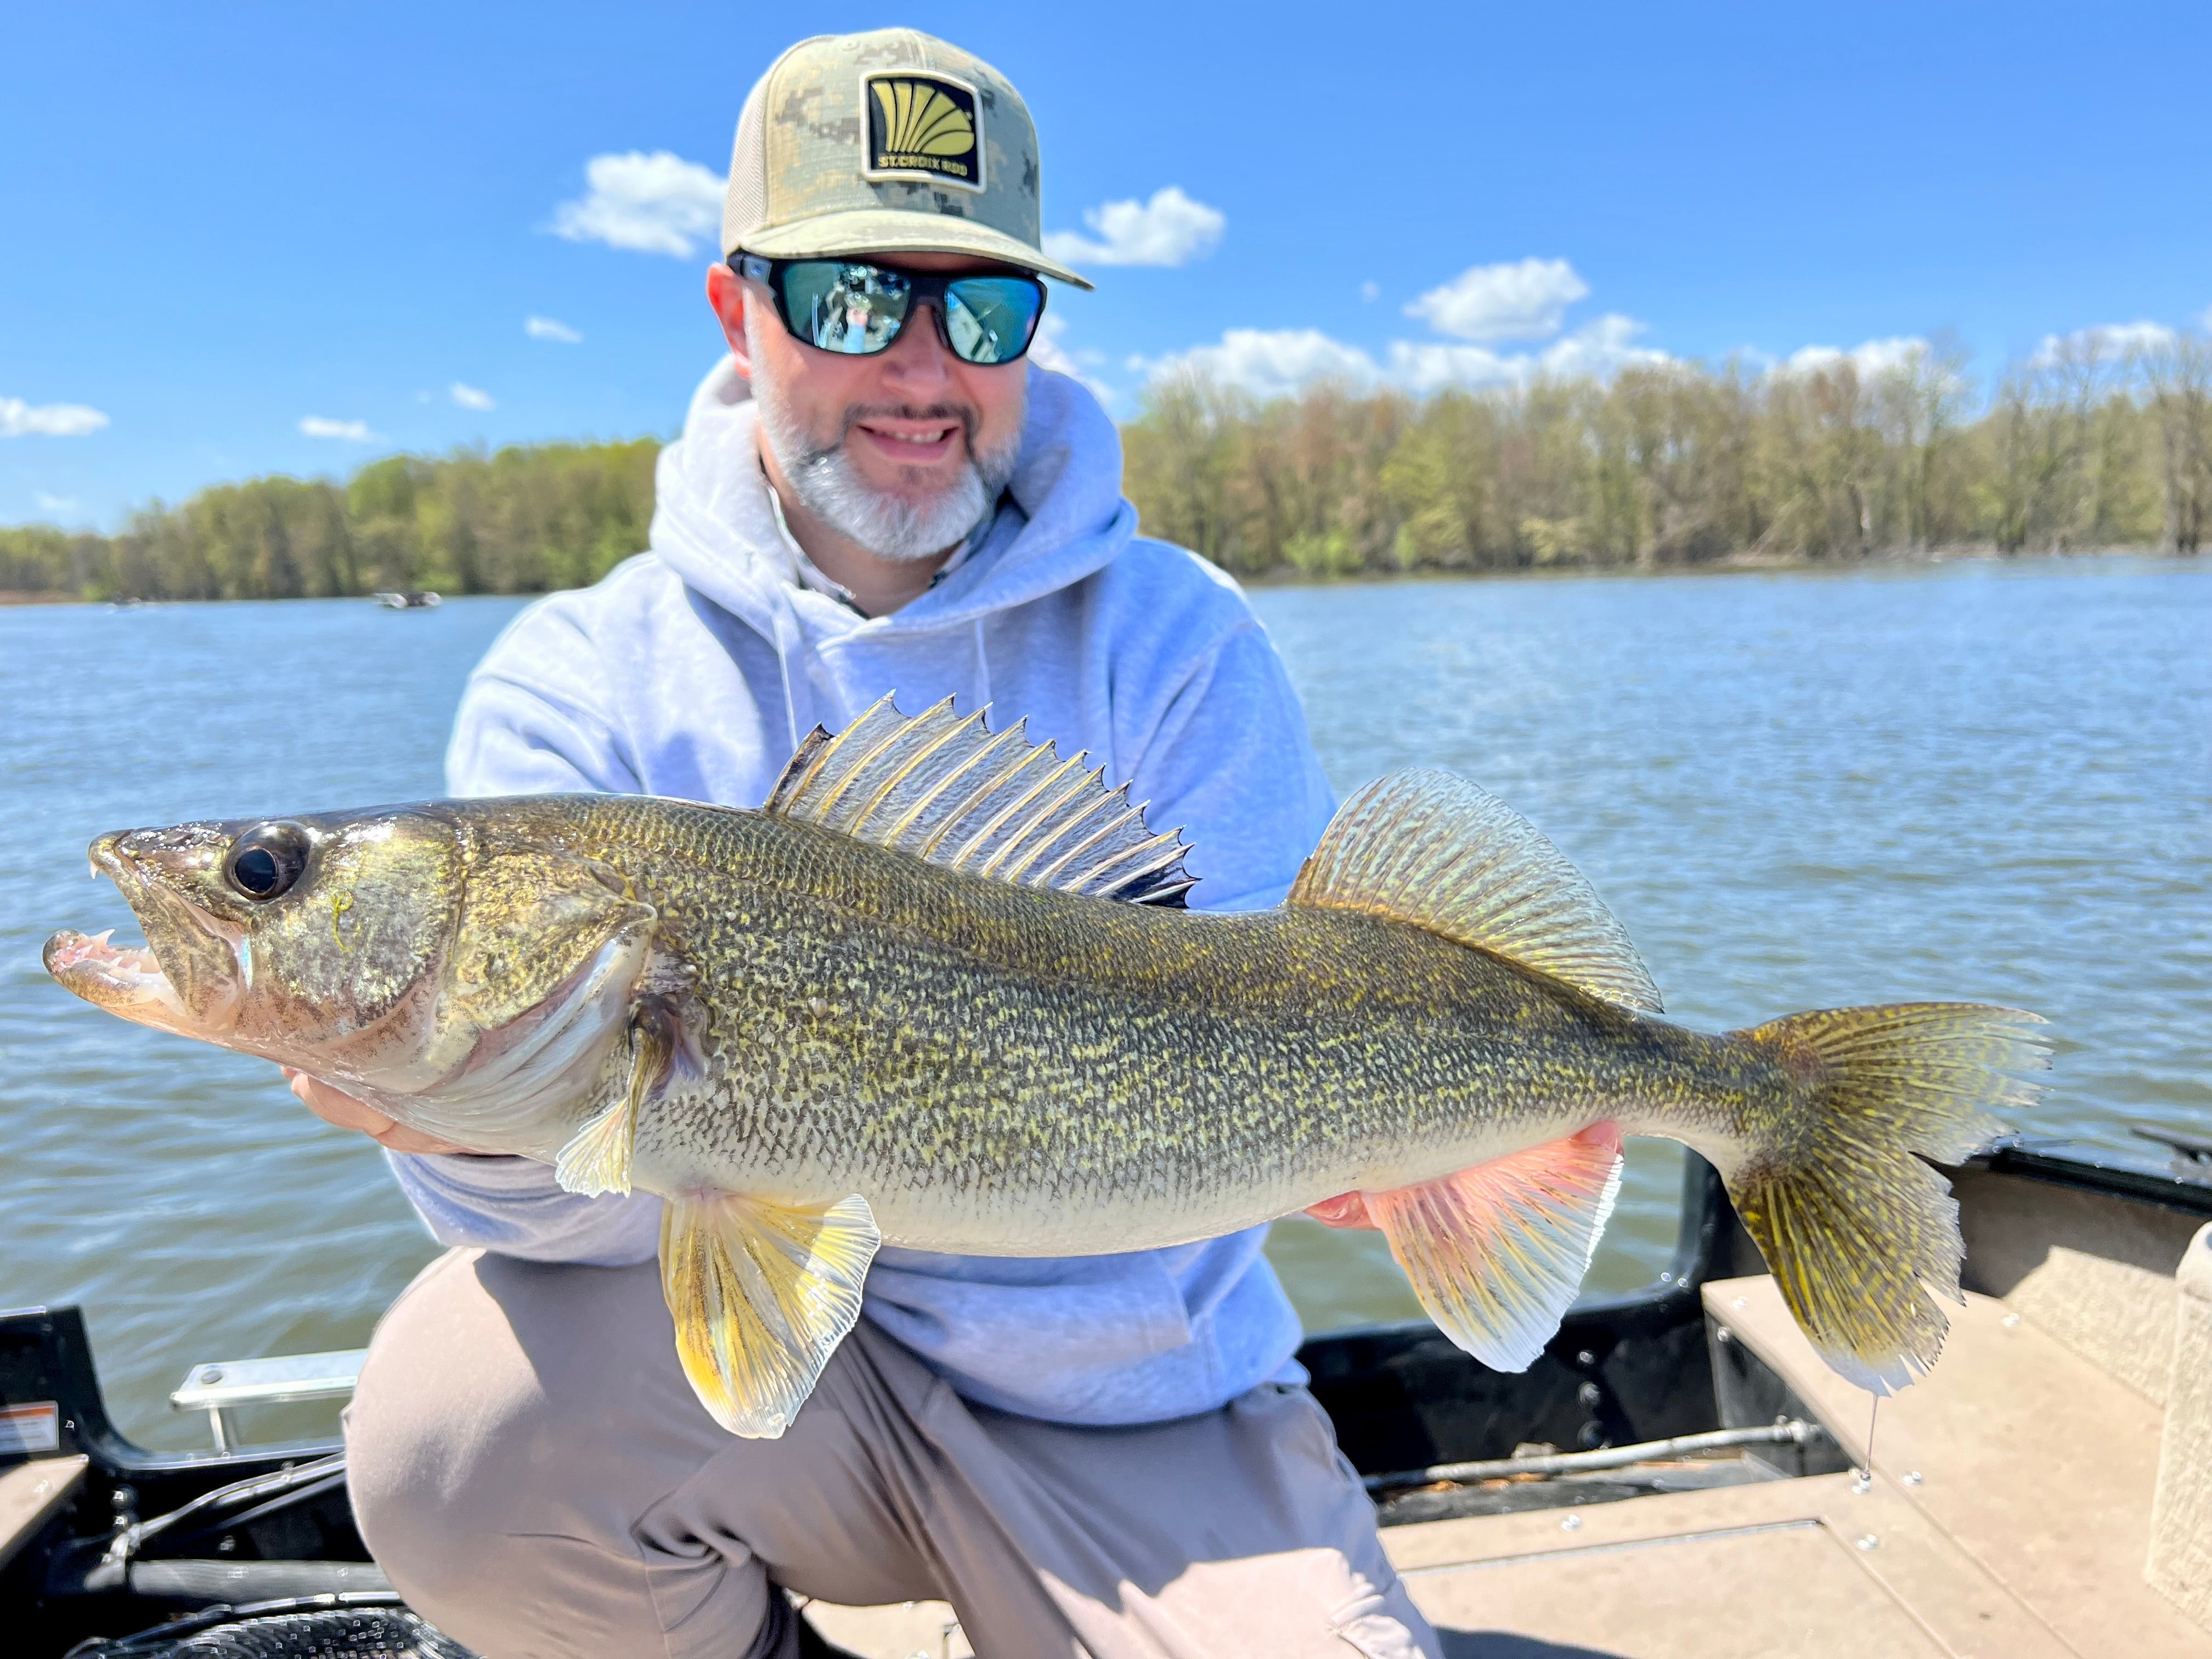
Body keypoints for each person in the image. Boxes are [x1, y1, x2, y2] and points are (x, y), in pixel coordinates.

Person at [298, 29, 1441, 1659]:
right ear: (736, 310)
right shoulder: (575, 684)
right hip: (771, 1402)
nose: (922, 368)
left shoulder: (1178, 634)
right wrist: (477, 1119)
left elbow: (1287, 1009)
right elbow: (561, 1237)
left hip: (1130, 1397)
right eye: (851, 298)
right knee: (453, 1429)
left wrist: (1443, 1152)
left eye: (983, 310)